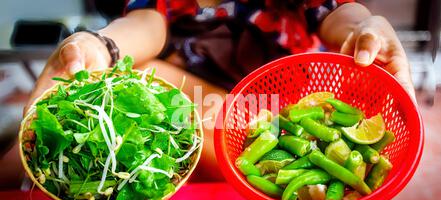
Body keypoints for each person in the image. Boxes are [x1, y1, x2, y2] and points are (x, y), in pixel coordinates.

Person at [1, 0, 415, 186]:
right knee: (131, 76)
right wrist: (99, 45)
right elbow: (148, 21)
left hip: (278, 114)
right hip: (200, 102)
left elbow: (338, 11)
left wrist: (366, 25)